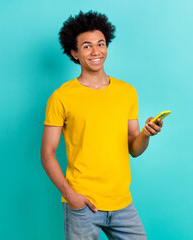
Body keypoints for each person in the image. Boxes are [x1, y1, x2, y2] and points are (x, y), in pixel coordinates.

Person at [40, 10, 163, 240]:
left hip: (122, 202)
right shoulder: (61, 98)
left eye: (101, 44)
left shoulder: (126, 92)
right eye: (87, 46)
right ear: (74, 53)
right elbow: (47, 153)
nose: (96, 51)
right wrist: (70, 195)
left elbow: (134, 149)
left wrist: (146, 134)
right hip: (82, 205)